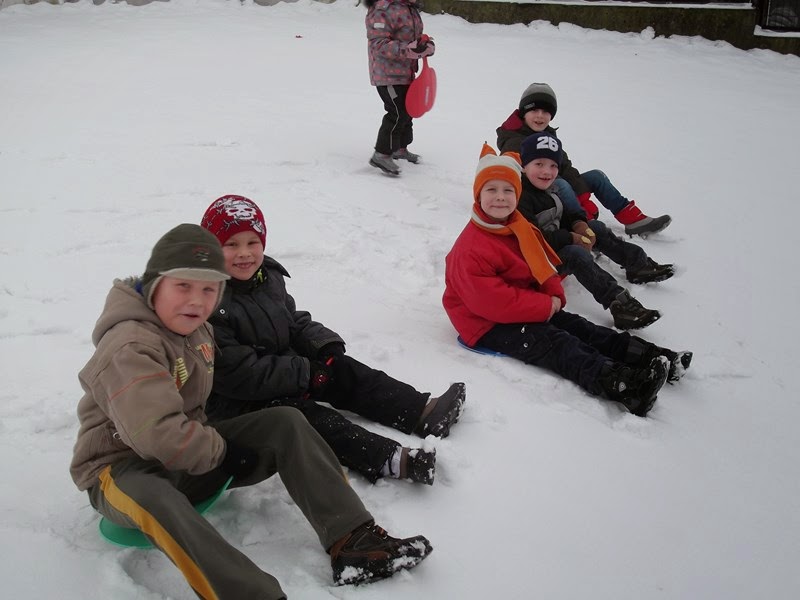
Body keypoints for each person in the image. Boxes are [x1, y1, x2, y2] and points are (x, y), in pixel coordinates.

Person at [69, 224, 432, 600]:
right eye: (183, 286)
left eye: (209, 289)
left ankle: (354, 541)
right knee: (158, 500)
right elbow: (157, 434)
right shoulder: (130, 346)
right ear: (154, 284)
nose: (196, 301)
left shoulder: (196, 328)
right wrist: (222, 451)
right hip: (122, 470)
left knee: (286, 422)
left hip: (186, 457)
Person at [200, 195, 465, 486]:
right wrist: (305, 373)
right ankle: (390, 459)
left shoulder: (267, 277)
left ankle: (421, 411)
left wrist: (322, 345)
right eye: (231, 244)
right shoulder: (207, 302)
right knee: (309, 420)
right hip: (242, 403)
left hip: (285, 369)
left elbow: (292, 320)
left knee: (343, 370)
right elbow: (240, 374)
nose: (244, 253)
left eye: (252, 242)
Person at [442, 144, 692, 417]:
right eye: (491, 190)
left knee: (583, 328)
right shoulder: (471, 248)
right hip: (486, 324)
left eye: (508, 190)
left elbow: (542, 262)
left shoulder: (518, 226)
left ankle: (654, 357)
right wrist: (544, 306)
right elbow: (492, 302)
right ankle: (627, 387)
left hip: (523, 304)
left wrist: (553, 295)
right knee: (558, 344)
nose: (500, 197)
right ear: (478, 195)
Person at [518, 131, 674, 330]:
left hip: (553, 250)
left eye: (553, 165)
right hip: (535, 266)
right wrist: (571, 237)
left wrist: (579, 225)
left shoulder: (550, 189)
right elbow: (532, 240)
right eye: (539, 164)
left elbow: (564, 215)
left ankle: (637, 264)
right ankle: (620, 304)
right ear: (524, 166)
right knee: (575, 254)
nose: (547, 171)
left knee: (595, 227)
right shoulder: (519, 197)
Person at [496, 82, 672, 237]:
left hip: (553, 183)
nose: (540, 116)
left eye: (546, 111)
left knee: (596, 177)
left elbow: (564, 165)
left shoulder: (547, 135)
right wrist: (579, 201)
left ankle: (632, 219)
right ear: (524, 113)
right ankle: (585, 228)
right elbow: (515, 176)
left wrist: (582, 194)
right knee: (561, 184)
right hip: (534, 194)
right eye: (534, 110)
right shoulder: (514, 140)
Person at [365, 0, 435, 176]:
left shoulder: (409, 7)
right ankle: (381, 154)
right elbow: (378, 44)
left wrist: (424, 45)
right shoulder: (382, 9)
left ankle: (399, 148)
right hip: (387, 74)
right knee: (397, 112)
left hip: (406, 72)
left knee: (408, 110)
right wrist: (410, 49)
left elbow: (411, 37)